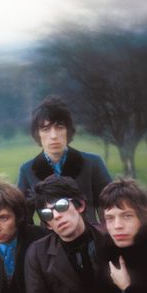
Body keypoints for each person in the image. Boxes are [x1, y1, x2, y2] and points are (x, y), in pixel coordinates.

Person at [18, 95, 111, 224]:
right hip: (49, 241)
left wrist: (105, 238)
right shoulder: (27, 170)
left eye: (60, 127)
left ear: (68, 130)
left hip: (91, 239)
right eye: (45, 129)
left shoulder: (93, 163)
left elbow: (108, 207)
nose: (54, 136)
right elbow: (24, 218)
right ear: (37, 134)